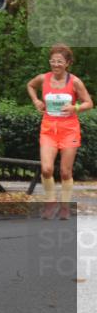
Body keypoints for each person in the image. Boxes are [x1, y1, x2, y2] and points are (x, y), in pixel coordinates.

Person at [27, 44, 93, 220]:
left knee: (65, 172)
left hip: (69, 130)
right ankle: (50, 203)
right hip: (48, 129)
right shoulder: (43, 78)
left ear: (67, 63)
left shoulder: (75, 82)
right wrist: (36, 101)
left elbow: (89, 103)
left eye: (60, 61)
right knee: (46, 169)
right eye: (53, 61)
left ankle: (64, 206)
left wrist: (75, 107)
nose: (55, 64)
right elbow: (30, 86)